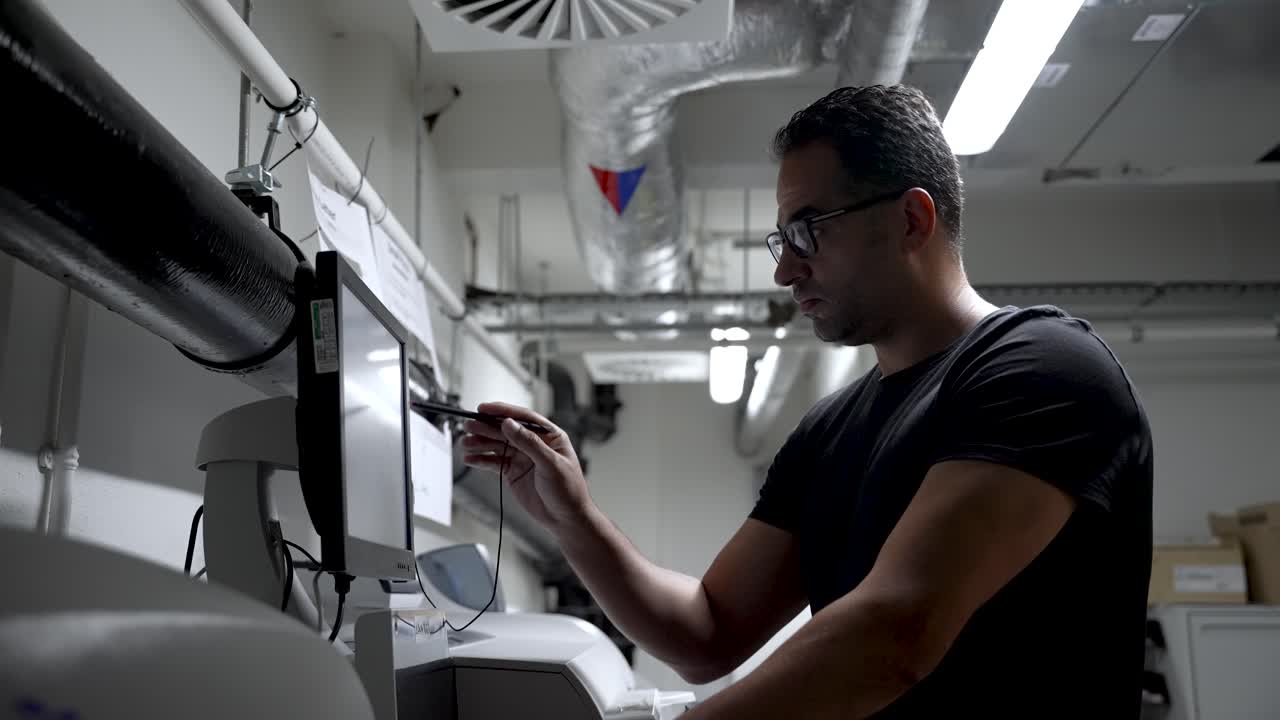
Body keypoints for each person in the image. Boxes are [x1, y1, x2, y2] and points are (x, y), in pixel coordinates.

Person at [462, 85, 1154, 719]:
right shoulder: (830, 430)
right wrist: (572, 517)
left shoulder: (1041, 370)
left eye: (807, 230)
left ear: (912, 220)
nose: (785, 269)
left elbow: (896, 632)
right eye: (782, 238)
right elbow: (708, 630)